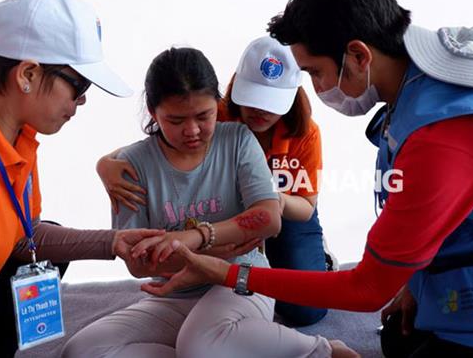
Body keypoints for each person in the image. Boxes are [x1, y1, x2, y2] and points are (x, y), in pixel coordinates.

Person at [141, 0, 473, 358]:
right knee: (397, 339)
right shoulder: (433, 68)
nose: (318, 88)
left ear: (358, 55)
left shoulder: (447, 134)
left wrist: (227, 274)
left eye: (316, 72)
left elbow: (366, 289)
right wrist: (415, 283)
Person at [0, 0, 164, 357]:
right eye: (78, 85)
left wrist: (112, 243)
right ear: (27, 73)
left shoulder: (14, 132)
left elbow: (22, 239)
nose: (81, 100)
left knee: (50, 250)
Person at [62, 47, 357, 358]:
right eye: (175, 120)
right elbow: (138, 262)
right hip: (176, 293)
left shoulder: (239, 139)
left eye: (204, 116)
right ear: (152, 111)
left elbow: (269, 218)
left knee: (203, 344)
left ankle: (321, 350)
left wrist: (195, 237)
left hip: (240, 280)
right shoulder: (129, 166)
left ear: (218, 104)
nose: (191, 131)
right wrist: (215, 250)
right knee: (81, 350)